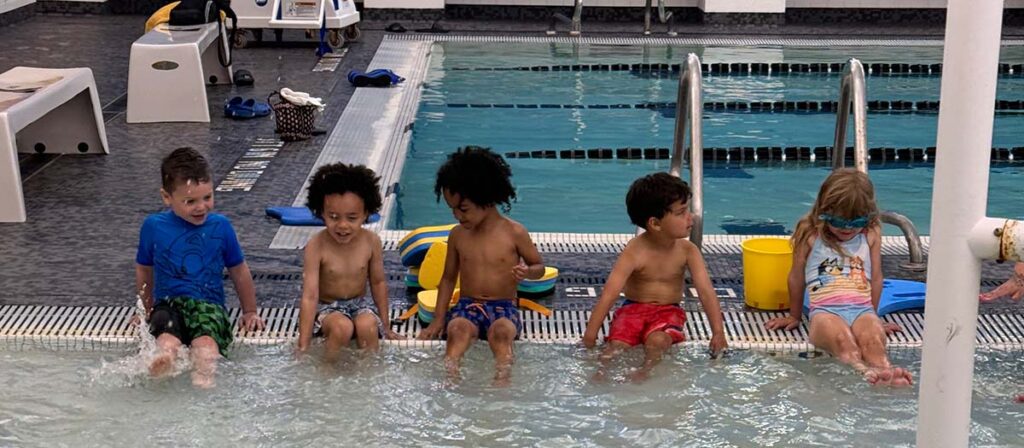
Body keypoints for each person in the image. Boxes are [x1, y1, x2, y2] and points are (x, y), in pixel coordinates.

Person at [765, 168, 912, 386]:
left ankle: (887, 372)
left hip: (862, 309)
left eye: (855, 223)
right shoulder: (810, 232)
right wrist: (794, 316)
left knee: (873, 341)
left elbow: (877, 277)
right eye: (840, 222)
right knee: (845, 344)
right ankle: (865, 374)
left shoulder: (871, 233)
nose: (847, 230)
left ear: (868, 216)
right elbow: (796, 277)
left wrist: (874, 315)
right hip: (825, 312)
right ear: (825, 210)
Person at [136, 147, 265, 388]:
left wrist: (250, 311)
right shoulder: (153, 227)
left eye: (207, 197)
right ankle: (163, 367)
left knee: (206, 347)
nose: (201, 207)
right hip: (168, 303)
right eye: (190, 201)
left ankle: (203, 384)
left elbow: (239, 271)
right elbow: (144, 269)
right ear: (167, 197)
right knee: (166, 341)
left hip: (208, 306)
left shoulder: (221, 227)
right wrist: (144, 310)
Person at [416, 146, 545, 384]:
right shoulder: (458, 235)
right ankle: (450, 376)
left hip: (503, 307)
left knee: (502, 334)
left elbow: (539, 267)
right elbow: (447, 278)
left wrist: (528, 272)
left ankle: (502, 378)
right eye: (452, 209)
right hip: (468, 305)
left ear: (486, 198)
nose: (456, 215)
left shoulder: (514, 232)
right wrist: (438, 320)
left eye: (462, 209)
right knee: (457, 330)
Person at [582, 173, 727, 381]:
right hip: (632, 309)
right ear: (655, 223)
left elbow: (706, 291)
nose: (691, 217)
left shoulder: (688, 250)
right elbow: (610, 293)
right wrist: (590, 336)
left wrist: (718, 332)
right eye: (682, 212)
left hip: (668, 312)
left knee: (658, 341)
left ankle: (645, 371)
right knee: (615, 346)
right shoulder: (635, 250)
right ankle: (600, 374)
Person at [296, 163, 401, 362]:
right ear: (321, 213)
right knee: (341, 328)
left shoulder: (371, 241)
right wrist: (303, 343)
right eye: (333, 217)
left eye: (352, 218)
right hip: (328, 308)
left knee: (368, 327)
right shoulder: (317, 245)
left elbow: (378, 283)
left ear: (366, 214)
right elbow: (310, 295)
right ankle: (327, 375)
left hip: (359, 305)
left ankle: (367, 380)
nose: (342, 226)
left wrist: (386, 327)